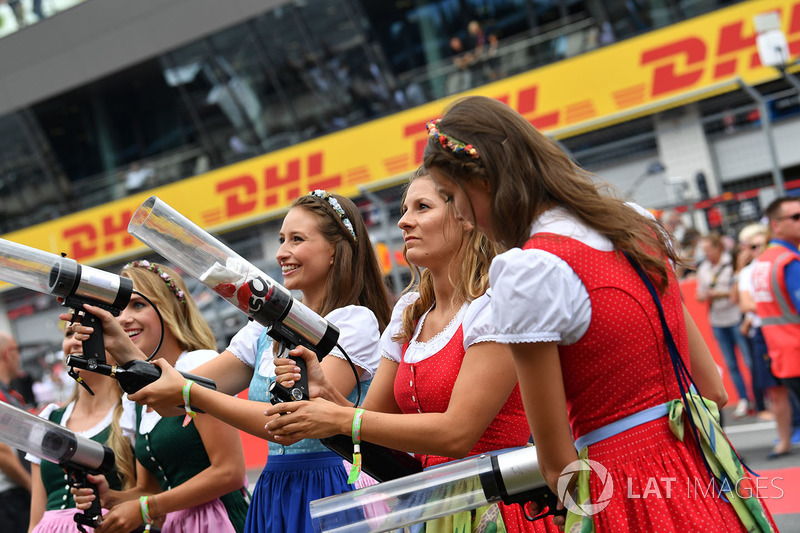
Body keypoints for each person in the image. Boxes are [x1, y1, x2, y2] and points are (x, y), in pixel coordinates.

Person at [420, 95, 776, 532]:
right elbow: (714, 390)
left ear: (485, 181)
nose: (460, 216)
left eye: (452, 196)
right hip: (705, 468)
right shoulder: (638, 224)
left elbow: (556, 464)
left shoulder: (528, 269)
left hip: (625, 488)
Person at [75, 191, 392, 533]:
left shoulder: (354, 322)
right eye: (281, 239)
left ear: (335, 250)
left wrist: (190, 394)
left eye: (297, 240)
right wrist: (117, 344)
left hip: (332, 484)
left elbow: (290, 424)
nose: (281, 253)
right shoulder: (262, 327)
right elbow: (170, 398)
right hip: (274, 489)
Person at [267, 171, 560, 532]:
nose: (404, 220)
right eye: (405, 209)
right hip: (430, 506)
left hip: (497, 505)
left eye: (423, 207)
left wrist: (340, 418)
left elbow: (458, 433)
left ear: (466, 218)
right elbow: (370, 425)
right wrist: (324, 393)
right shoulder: (410, 313)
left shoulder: (493, 304)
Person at [70, 261, 249, 533]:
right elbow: (150, 489)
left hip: (221, 520)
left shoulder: (198, 365)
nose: (124, 318)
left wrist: (147, 509)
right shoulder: (138, 389)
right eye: (117, 310)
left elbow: (229, 473)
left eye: (138, 305)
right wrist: (111, 498)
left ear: (169, 309)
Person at [27, 323, 138, 532]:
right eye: (70, 333)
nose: (76, 340)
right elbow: (35, 520)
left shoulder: (132, 412)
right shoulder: (50, 418)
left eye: (88, 333)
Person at [736, 223, 798, 459]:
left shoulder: (781, 263)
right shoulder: (748, 272)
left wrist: (759, 310)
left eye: (761, 245)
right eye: (751, 246)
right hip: (766, 336)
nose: (756, 250)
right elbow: (745, 303)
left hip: (784, 331)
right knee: (776, 392)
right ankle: (784, 440)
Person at [751, 196, 800, 454]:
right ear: (776, 225)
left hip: (781, 351)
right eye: (795, 217)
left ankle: (783, 442)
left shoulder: (765, 261)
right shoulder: (788, 262)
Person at [696, 232, 754, 419]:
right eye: (703, 250)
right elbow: (698, 294)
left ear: (717, 248)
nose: (705, 253)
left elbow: (737, 290)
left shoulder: (731, 262)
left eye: (707, 249)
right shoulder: (704, 268)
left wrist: (718, 294)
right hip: (717, 321)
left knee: (750, 361)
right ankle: (745, 400)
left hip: (735, 317)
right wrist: (706, 295)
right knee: (731, 364)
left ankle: (760, 398)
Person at [0, 332, 32, 533]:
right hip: (10, 498)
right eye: (16, 350)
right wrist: (32, 487)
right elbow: (2, 453)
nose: (18, 357)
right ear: (6, 354)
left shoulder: (10, 395)